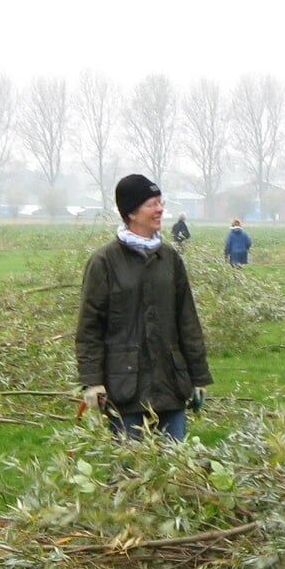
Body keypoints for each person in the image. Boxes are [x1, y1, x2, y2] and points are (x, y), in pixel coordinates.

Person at [76, 173, 212, 441]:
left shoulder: (170, 258)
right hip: (124, 387)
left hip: (171, 384)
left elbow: (187, 320)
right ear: (131, 212)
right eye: (152, 203)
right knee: (130, 473)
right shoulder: (104, 261)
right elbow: (90, 326)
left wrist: (199, 377)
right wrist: (92, 381)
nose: (160, 209)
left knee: (175, 471)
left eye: (160, 202)